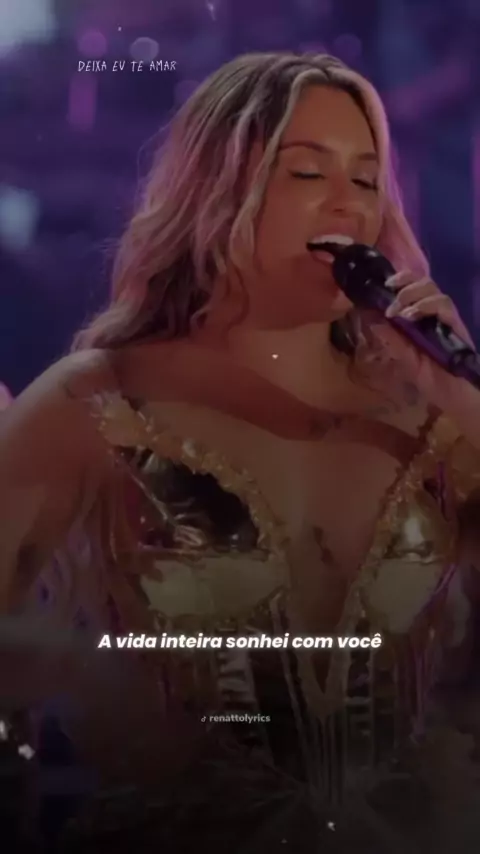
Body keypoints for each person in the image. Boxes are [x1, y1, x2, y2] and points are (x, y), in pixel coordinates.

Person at [1, 51, 480, 852]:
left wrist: (464, 400)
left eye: (367, 180)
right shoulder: (101, 397)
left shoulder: (428, 416)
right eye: (308, 172)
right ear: (220, 188)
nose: (349, 203)